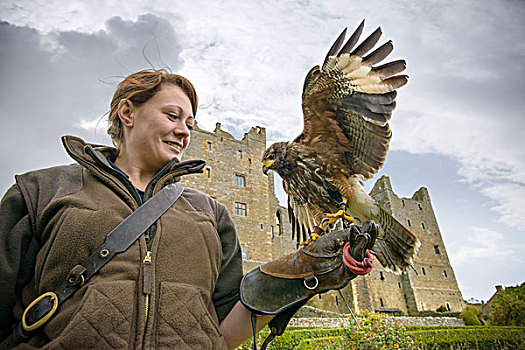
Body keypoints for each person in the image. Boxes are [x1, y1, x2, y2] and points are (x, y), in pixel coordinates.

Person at [0, 69, 272, 349]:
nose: (183, 132)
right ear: (127, 113)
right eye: (172, 116)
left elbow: (225, 325)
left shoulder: (211, 214)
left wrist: (297, 277)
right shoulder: (41, 191)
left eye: (189, 124)